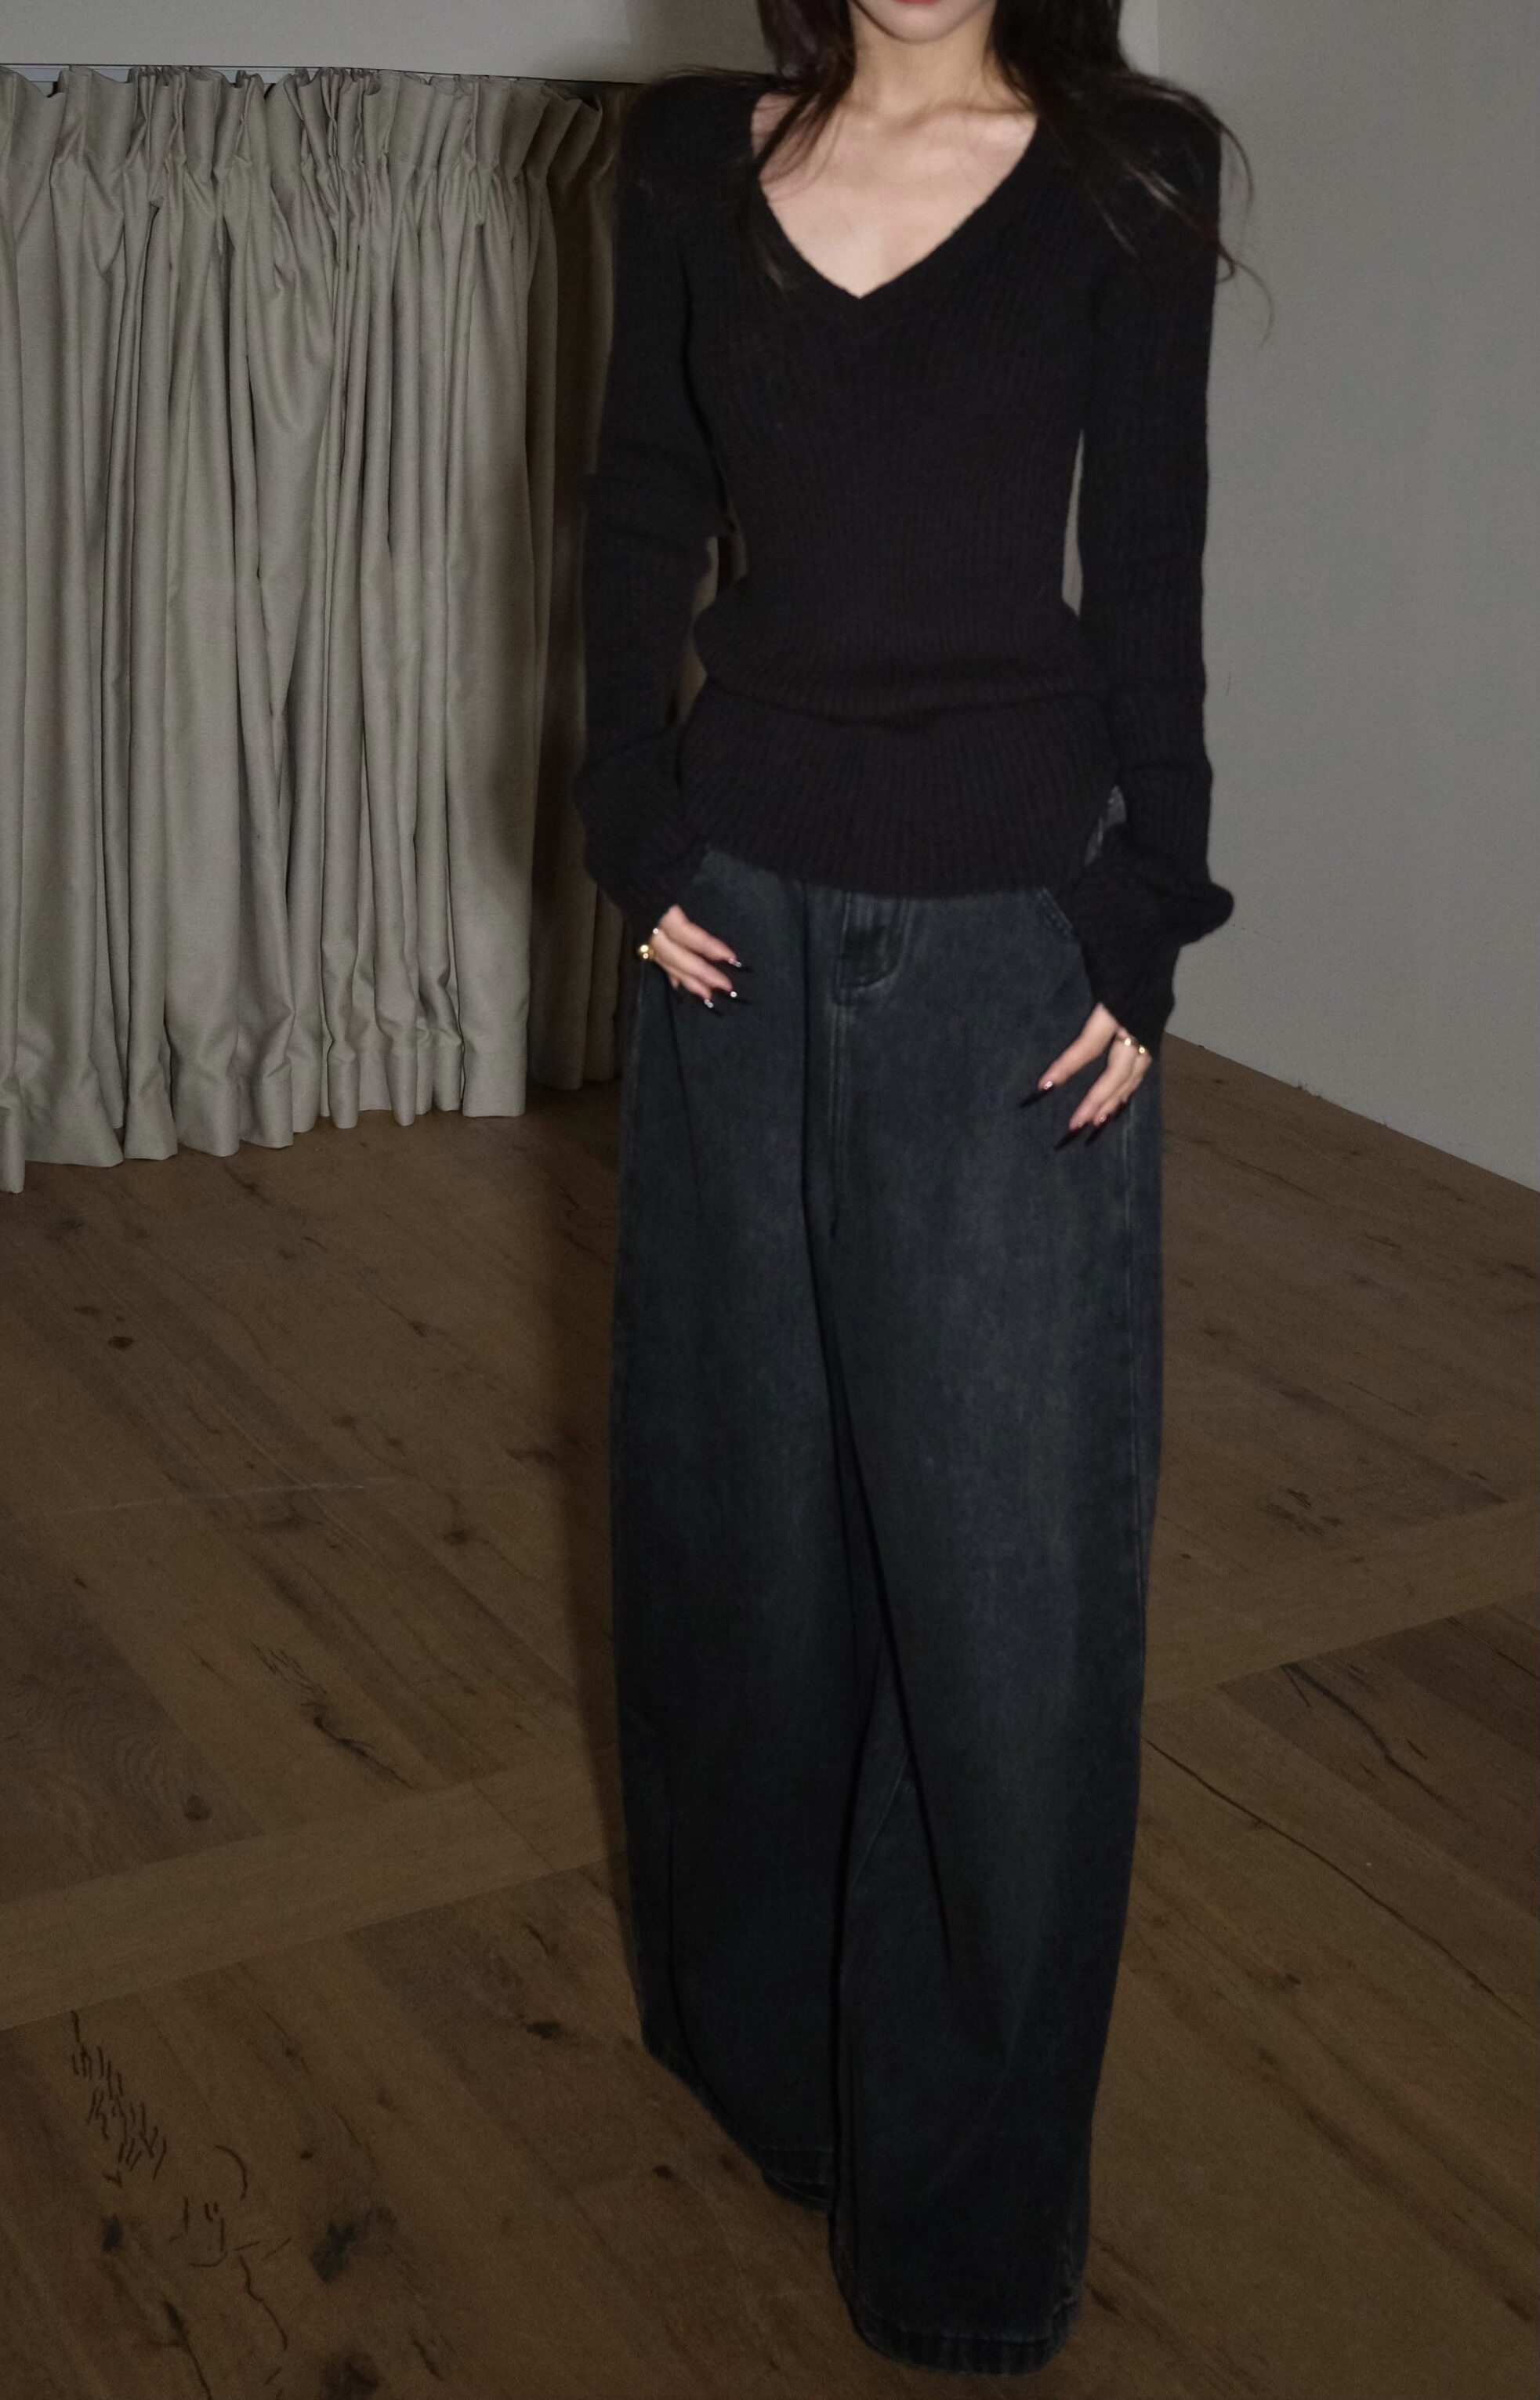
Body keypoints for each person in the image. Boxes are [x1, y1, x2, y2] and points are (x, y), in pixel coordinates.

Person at [574, 0, 1245, 2374]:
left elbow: (1145, 556)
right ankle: (772, 2077)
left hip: (1004, 958)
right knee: (740, 1546)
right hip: (735, 933)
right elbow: (639, 505)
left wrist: (1148, 909)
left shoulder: (1131, 170)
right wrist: (631, 815)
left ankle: (963, 2236)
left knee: (1004, 1618)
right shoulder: (689, 158)